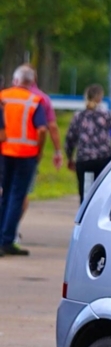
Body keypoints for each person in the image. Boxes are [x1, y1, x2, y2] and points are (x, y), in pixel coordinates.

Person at [0, 73, 49, 256]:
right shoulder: (34, 100)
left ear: (15, 80)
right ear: (31, 82)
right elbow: (42, 129)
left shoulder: (3, 96)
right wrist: (39, 150)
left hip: (4, 152)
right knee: (17, 196)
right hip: (26, 154)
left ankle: (2, 239)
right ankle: (6, 241)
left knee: (5, 194)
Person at [13, 65, 61, 236]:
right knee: (22, 192)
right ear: (34, 79)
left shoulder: (7, 96)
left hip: (5, 152)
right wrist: (57, 152)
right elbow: (51, 128)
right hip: (28, 154)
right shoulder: (41, 99)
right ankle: (12, 228)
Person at [65, 84, 111, 203]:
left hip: (84, 159)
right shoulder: (107, 115)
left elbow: (70, 138)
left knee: (85, 193)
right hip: (104, 158)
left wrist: (70, 157)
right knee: (101, 191)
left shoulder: (78, 116)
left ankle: (83, 216)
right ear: (100, 97)